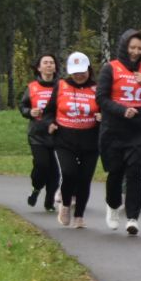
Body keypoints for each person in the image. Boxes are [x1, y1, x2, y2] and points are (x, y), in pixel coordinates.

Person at [97, 29, 141, 236]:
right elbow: (101, 99)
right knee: (116, 171)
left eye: (140, 48)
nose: (136, 52)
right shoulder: (110, 68)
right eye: (132, 47)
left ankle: (132, 217)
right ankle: (113, 206)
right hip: (115, 128)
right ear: (124, 47)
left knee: (135, 171)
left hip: (140, 129)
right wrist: (122, 110)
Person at [48, 52, 101, 228]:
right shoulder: (61, 85)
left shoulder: (97, 87)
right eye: (75, 72)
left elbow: (106, 108)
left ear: (89, 69)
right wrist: (50, 123)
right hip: (65, 139)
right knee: (69, 173)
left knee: (85, 178)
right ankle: (65, 205)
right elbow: (49, 110)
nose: (79, 75)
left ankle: (79, 215)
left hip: (90, 140)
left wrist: (103, 117)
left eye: (82, 71)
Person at [21, 54, 61, 211]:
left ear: (55, 67)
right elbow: (22, 106)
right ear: (39, 67)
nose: (49, 65)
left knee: (55, 173)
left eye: (52, 62)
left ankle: (49, 202)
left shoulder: (62, 86)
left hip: (57, 133)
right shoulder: (32, 87)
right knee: (42, 165)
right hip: (37, 134)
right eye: (45, 63)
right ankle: (36, 188)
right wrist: (30, 112)